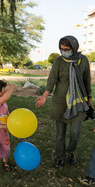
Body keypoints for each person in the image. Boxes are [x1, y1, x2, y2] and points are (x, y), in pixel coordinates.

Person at [35, 35, 92, 168]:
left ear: (74, 47)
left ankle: (71, 152)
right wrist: (44, 95)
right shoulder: (59, 61)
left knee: (75, 133)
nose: (64, 51)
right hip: (60, 102)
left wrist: (89, 98)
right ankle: (60, 157)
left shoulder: (83, 60)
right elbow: (52, 80)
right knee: (60, 134)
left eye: (67, 49)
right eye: (61, 49)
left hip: (78, 102)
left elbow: (86, 80)